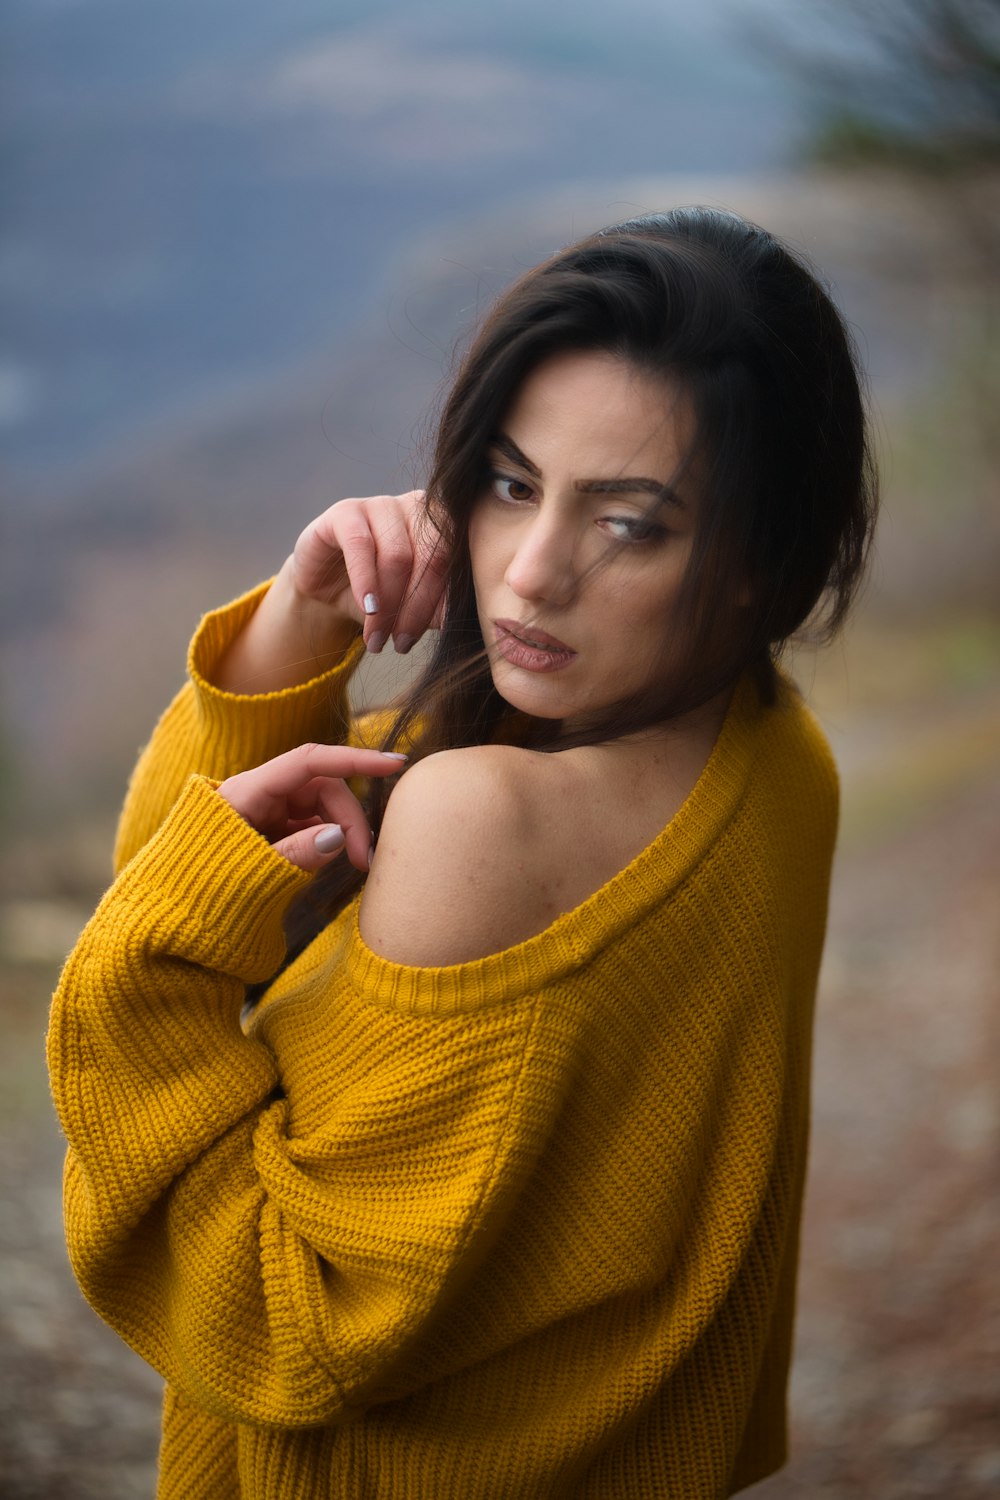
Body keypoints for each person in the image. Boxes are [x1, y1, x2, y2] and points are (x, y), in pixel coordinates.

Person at [48, 207, 877, 1499]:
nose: (531, 576)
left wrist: (141, 980)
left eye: (631, 523)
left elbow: (288, 1326)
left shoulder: (486, 819)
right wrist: (301, 616)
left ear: (759, 561)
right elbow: (216, 853)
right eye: (508, 482)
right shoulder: (771, 751)